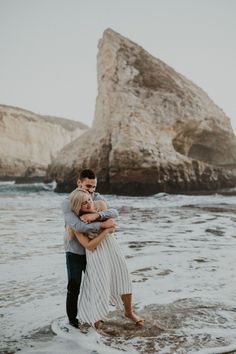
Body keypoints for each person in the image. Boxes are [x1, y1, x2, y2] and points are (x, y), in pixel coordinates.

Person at [67, 188, 145, 330]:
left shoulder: (99, 209)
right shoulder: (75, 225)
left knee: (124, 278)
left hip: (112, 248)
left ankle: (129, 312)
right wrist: (106, 231)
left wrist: (99, 218)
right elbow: (89, 246)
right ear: (77, 206)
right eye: (84, 203)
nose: (89, 204)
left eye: (89, 200)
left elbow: (113, 219)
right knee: (100, 286)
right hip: (96, 254)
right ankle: (96, 322)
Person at [62, 169, 118, 328]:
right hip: (75, 251)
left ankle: (96, 318)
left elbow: (114, 212)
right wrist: (103, 224)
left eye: (94, 187)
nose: (92, 191)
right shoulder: (68, 201)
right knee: (74, 287)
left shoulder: (96, 197)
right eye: (88, 186)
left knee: (96, 284)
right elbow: (78, 226)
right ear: (79, 183)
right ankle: (73, 322)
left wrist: (96, 216)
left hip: (95, 251)